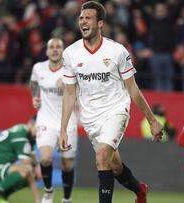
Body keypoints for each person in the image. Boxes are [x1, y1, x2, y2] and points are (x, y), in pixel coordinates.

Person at [59, 1, 163, 203]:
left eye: (88, 17)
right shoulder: (70, 54)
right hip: (90, 118)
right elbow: (69, 94)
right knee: (114, 166)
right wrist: (63, 128)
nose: (83, 21)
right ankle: (140, 190)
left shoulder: (117, 51)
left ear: (100, 23)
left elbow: (133, 88)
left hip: (116, 109)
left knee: (101, 156)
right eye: (81, 18)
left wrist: (151, 120)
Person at [29, 38, 78, 203]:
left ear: (63, 51)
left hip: (68, 122)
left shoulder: (70, 70)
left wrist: (68, 87)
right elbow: (33, 82)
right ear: (47, 51)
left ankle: (67, 199)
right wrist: (34, 97)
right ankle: (48, 192)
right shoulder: (39, 68)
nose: (55, 50)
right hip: (46, 120)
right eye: (52, 47)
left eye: (58, 47)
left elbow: (82, 92)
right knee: (45, 158)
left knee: (67, 165)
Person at [0, 116, 41, 203]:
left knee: (33, 173)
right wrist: (37, 197)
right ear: (31, 124)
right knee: (25, 170)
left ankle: (2, 196)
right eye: (38, 129)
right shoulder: (20, 137)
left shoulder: (23, 132)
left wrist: (37, 166)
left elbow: (32, 155)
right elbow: (27, 166)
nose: (39, 134)